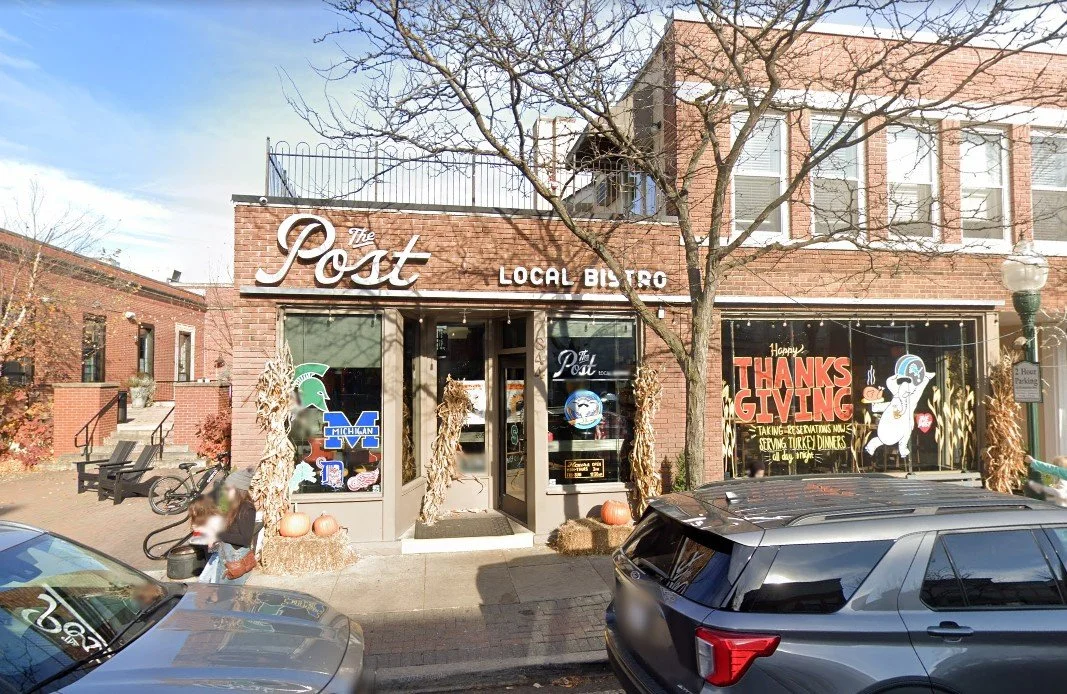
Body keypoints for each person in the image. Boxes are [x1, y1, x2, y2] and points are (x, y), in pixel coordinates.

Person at [202, 467, 258, 585]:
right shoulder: (233, 504)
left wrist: (218, 535)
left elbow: (245, 539)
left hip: (236, 559)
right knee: (221, 591)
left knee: (231, 593)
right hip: (226, 555)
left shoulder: (247, 509)